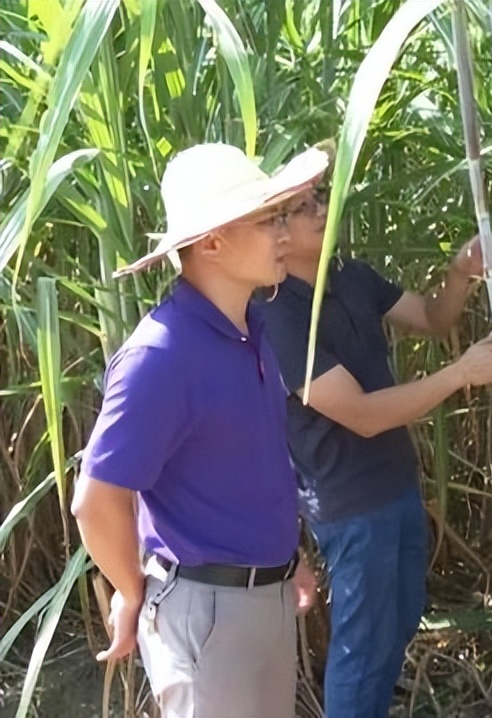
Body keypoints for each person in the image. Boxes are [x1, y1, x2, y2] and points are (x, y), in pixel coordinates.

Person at [71, 142, 329, 718]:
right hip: (205, 614)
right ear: (211, 242)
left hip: (265, 598)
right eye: (268, 220)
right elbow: (96, 500)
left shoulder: (250, 330)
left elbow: (246, 464)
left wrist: (288, 557)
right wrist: (134, 591)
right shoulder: (161, 356)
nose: (284, 232)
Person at [260, 177, 492, 718]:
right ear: (278, 233)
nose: (321, 209)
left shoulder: (352, 277)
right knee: (363, 651)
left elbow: (432, 317)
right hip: (349, 504)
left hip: (396, 484)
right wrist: (461, 374)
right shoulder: (275, 314)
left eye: (320, 198)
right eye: (302, 207)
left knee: (398, 623)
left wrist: (461, 272)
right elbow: (360, 415)